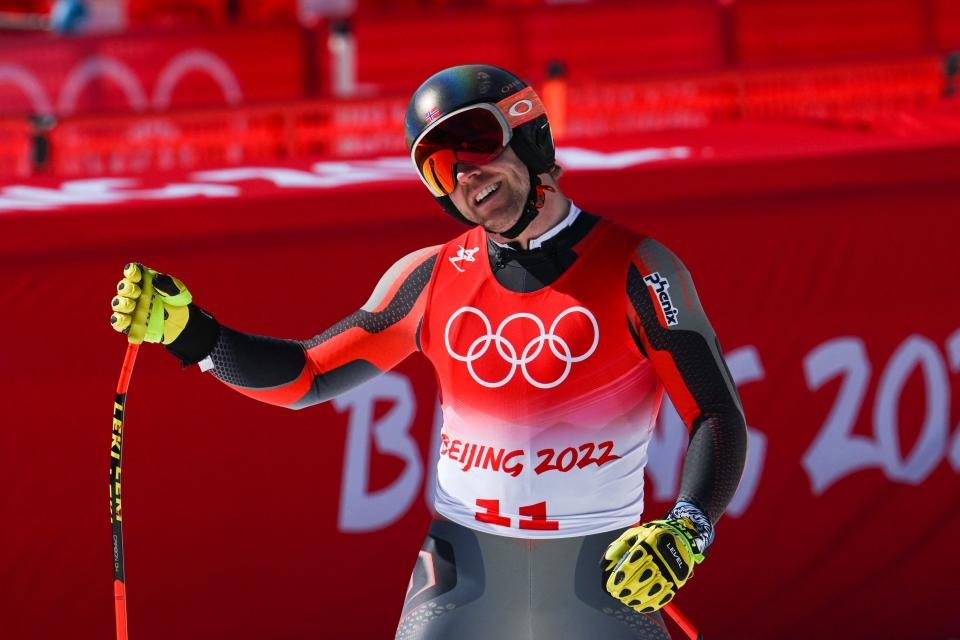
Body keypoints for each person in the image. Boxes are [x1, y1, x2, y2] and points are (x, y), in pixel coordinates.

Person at [109, 64, 747, 639]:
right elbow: (306, 377)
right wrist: (192, 334)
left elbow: (715, 413)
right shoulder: (431, 277)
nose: (467, 173)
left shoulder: (637, 268)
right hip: (464, 566)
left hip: (603, 568)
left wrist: (686, 527)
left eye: (475, 142)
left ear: (530, 135)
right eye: (442, 165)